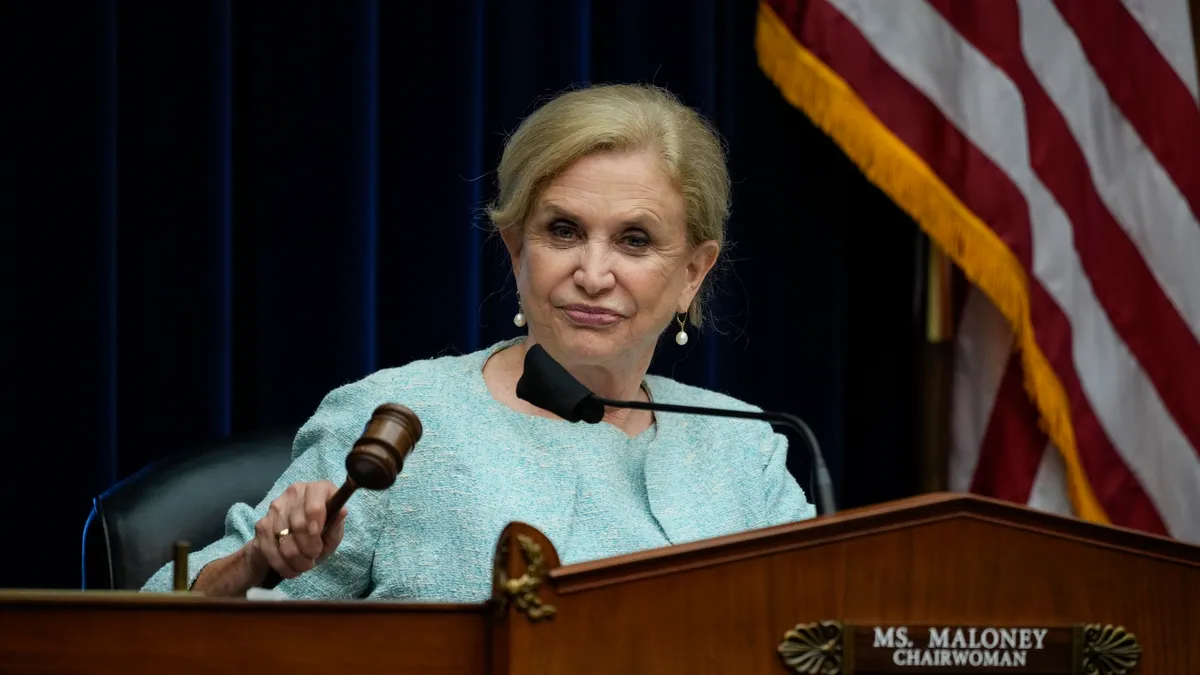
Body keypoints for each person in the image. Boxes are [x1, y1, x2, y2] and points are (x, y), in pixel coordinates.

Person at [141, 83, 817, 601]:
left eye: (634, 240)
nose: (592, 273)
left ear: (692, 272)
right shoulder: (402, 419)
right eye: (562, 231)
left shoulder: (744, 448)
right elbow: (156, 623)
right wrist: (259, 562)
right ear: (515, 247)